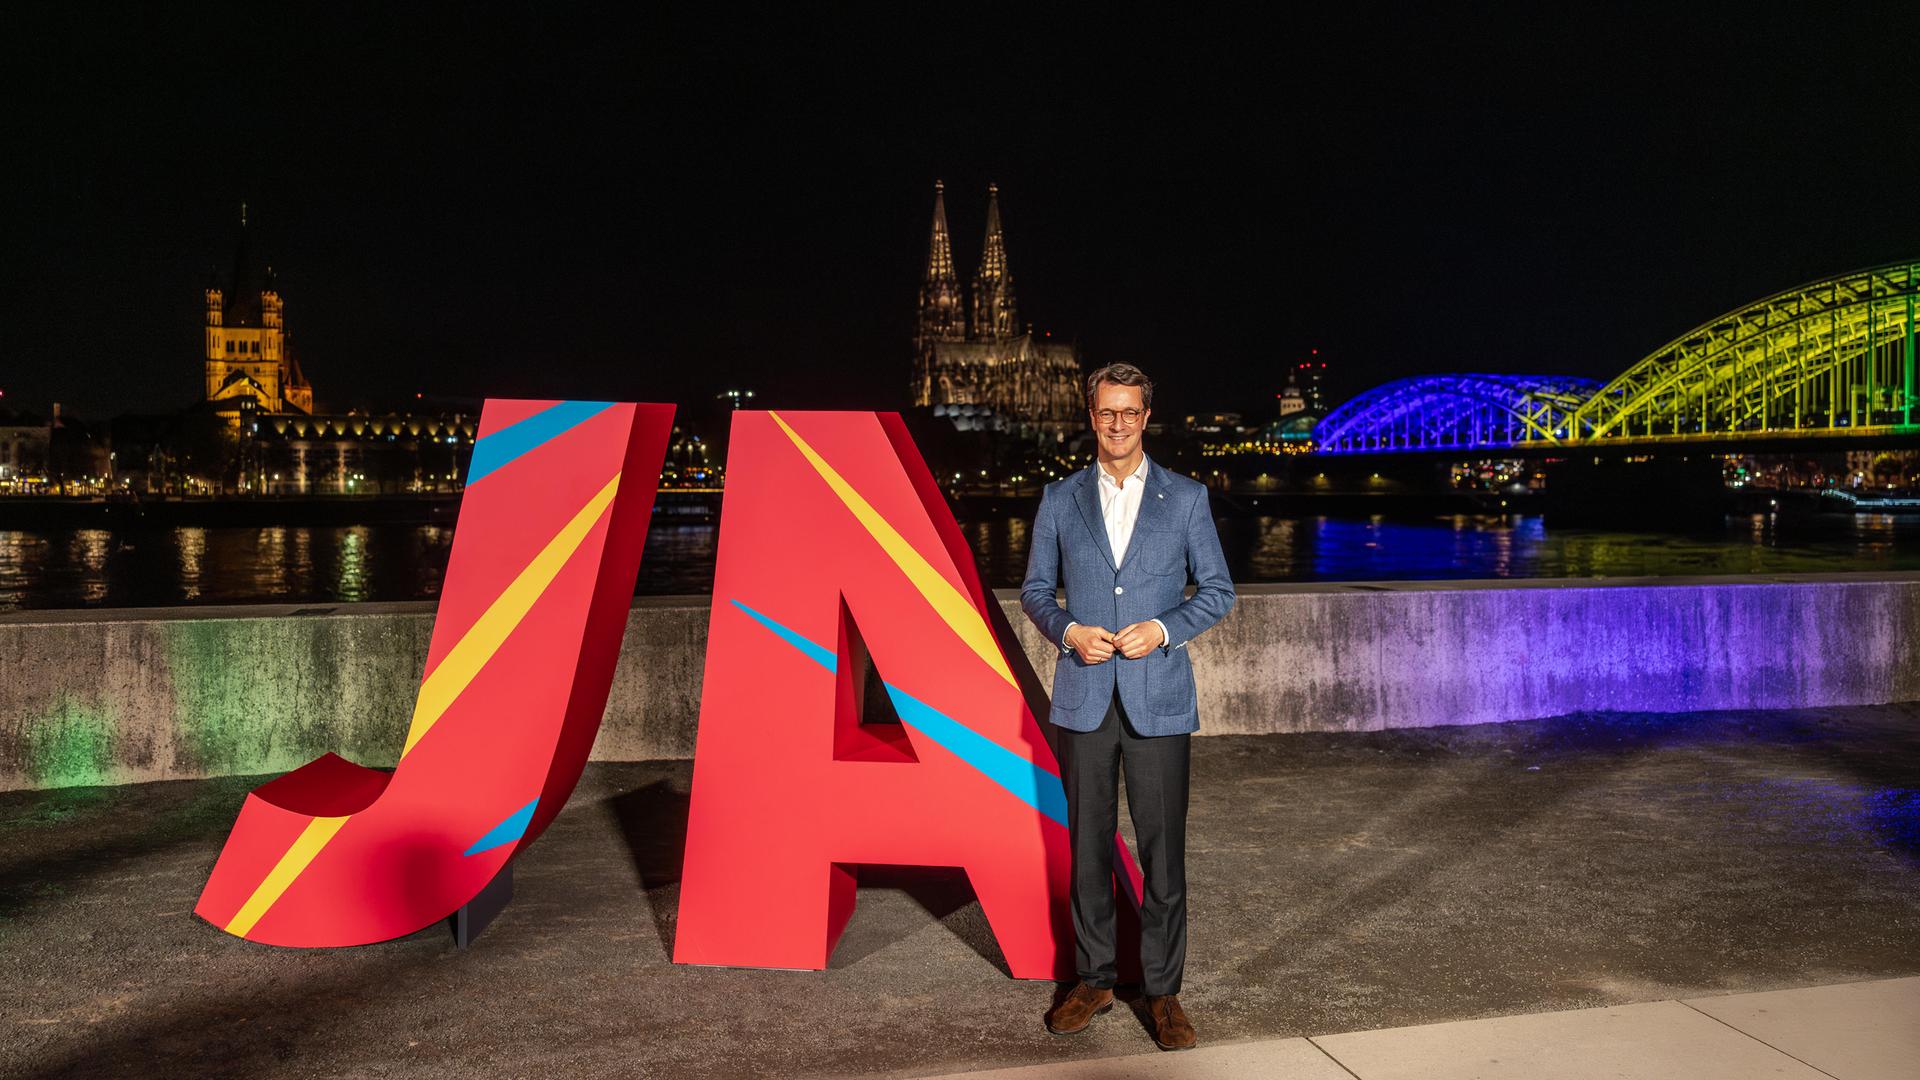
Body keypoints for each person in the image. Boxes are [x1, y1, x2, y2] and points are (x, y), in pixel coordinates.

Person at [1020, 362, 1235, 1051]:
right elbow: (1033, 593)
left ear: (1148, 417)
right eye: (1107, 412)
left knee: (1162, 853)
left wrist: (1165, 627)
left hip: (1159, 700)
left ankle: (1165, 992)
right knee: (1086, 851)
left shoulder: (1188, 498)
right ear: (1092, 416)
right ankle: (1095, 979)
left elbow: (1218, 591)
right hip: (1083, 698)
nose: (1118, 425)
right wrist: (1067, 630)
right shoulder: (1058, 498)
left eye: (1131, 413)